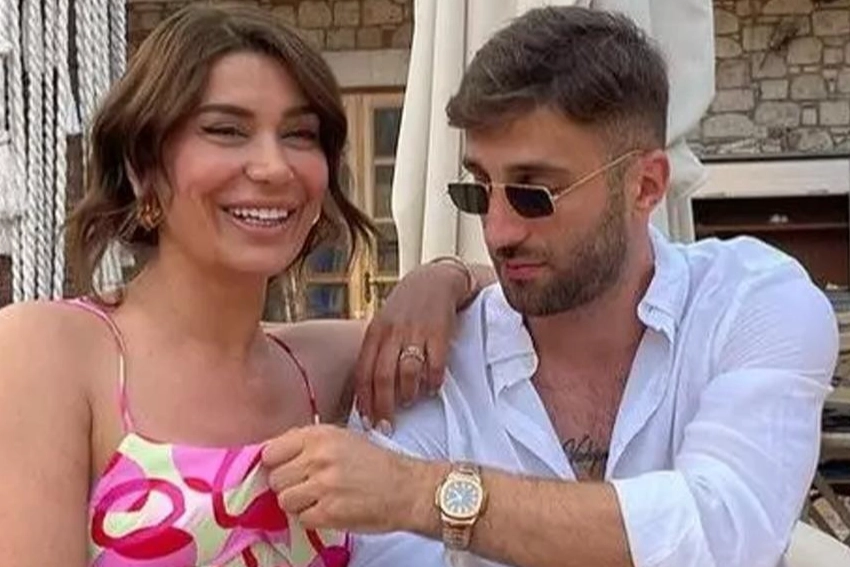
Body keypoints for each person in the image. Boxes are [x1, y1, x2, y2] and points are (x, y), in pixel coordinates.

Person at [261, 7, 840, 567]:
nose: (497, 231)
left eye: (533, 194)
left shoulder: (750, 302)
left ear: (645, 185)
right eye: (477, 189)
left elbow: (723, 534)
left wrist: (426, 495)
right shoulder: (436, 360)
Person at [0, 4, 481, 566]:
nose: (274, 167)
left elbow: (534, 297)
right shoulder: (48, 351)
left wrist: (440, 278)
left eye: (300, 134)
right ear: (142, 166)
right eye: (226, 131)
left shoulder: (322, 366)